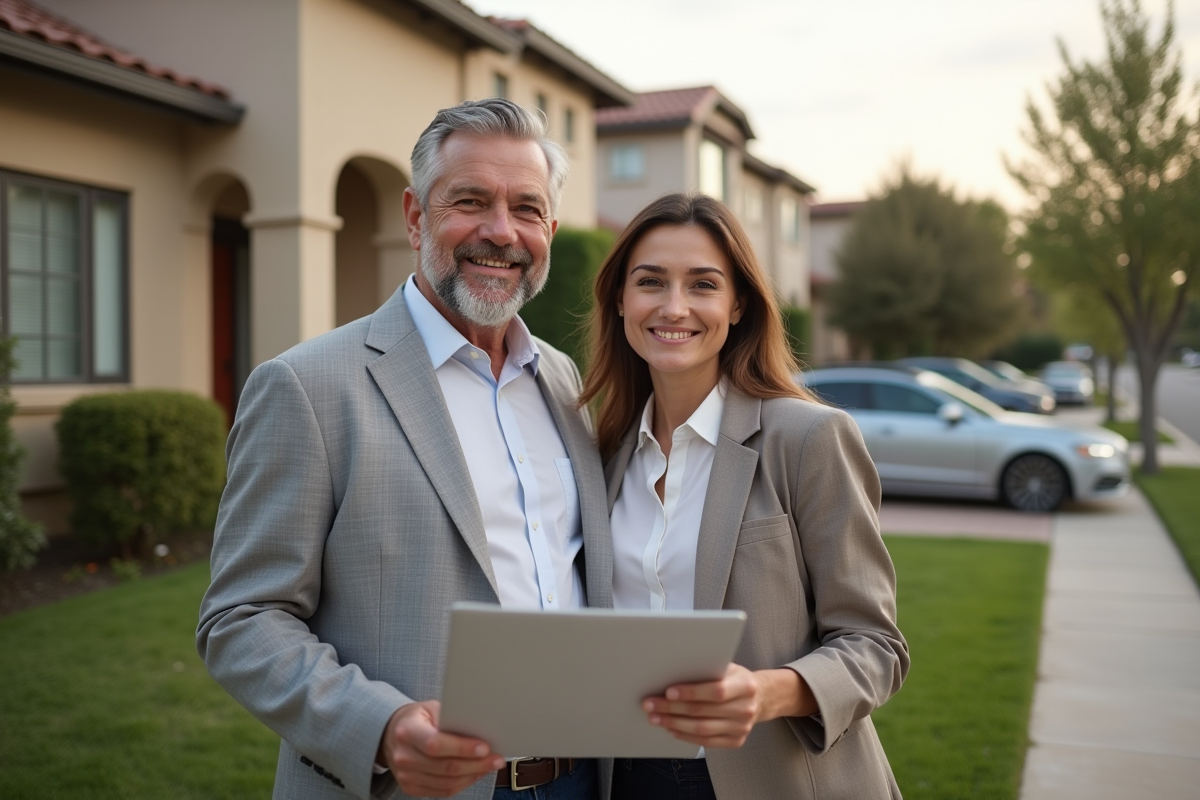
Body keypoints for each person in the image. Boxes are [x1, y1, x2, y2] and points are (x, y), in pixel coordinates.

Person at [197, 98, 612, 800]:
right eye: (471, 201)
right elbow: (242, 619)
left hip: (577, 780)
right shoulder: (306, 385)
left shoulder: (563, 380)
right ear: (416, 215)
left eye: (526, 208)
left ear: (551, 229)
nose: (500, 231)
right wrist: (382, 726)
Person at [579, 193, 909, 799]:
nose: (674, 306)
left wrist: (767, 692)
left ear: (737, 307)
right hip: (625, 777)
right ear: (621, 301)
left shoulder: (808, 438)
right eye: (651, 281)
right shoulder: (602, 454)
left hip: (773, 778)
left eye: (703, 284)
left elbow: (876, 647)